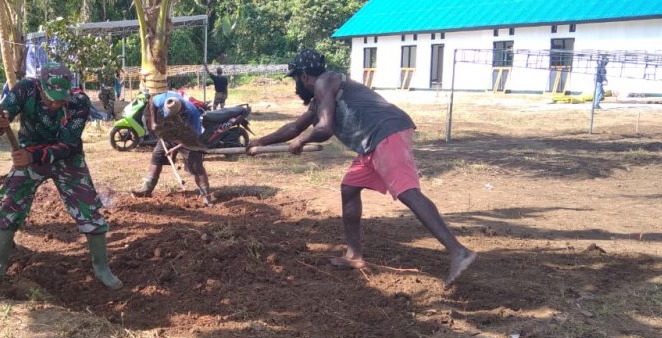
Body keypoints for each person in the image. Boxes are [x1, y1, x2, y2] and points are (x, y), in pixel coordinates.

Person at [249, 49, 476, 287]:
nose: (297, 85)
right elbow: (294, 127)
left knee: (408, 192)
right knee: (349, 188)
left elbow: (324, 128)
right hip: (371, 144)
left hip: (385, 133)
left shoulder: (325, 81)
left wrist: (303, 140)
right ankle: (354, 255)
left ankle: (458, 251)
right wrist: (259, 142)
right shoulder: (321, 97)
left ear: (304, 76)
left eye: (296, 78)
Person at [0, 62, 122, 290]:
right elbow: (0, 122)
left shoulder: (79, 102)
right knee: (10, 205)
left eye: (60, 99)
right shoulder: (24, 90)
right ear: (40, 87)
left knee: (88, 209)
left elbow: (68, 145)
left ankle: (102, 269)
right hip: (28, 153)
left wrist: (33, 157)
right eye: (50, 98)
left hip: (65, 158)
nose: (55, 104)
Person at [131, 90, 215, 206]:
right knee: (157, 156)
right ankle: (146, 189)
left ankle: (206, 197)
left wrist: (174, 149)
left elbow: (194, 137)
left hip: (189, 138)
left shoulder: (192, 114)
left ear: (181, 111)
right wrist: (153, 121)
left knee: (196, 166)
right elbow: (151, 101)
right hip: (170, 132)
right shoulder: (165, 99)